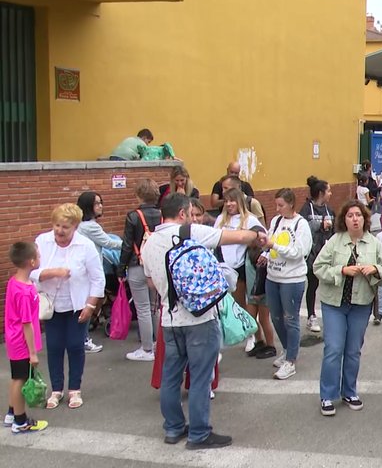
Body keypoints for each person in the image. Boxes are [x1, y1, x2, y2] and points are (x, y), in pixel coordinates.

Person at [141, 193, 264, 449]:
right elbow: (239, 237)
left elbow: (151, 281)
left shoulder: (149, 243)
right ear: (184, 212)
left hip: (169, 319)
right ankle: (199, 433)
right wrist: (257, 235)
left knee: (171, 376)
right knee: (200, 376)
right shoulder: (190, 232)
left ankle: (173, 429)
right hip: (200, 317)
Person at [314, 200, 382, 416]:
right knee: (333, 348)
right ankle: (327, 395)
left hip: (360, 304)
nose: (355, 219)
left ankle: (349, 391)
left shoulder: (374, 243)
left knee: (353, 351)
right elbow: (318, 268)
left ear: (365, 219)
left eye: (358, 215)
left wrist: (374, 268)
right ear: (344, 220)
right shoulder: (335, 241)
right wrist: (341, 270)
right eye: (350, 215)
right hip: (334, 304)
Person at [32, 204, 105, 410]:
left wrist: (91, 305)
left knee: (75, 345)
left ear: (75, 226)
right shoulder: (42, 241)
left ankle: (75, 389)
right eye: (56, 225)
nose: (59, 231)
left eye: (65, 227)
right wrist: (53, 272)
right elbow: (31, 272)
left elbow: (97, 279)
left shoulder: (86, 245)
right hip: (50, 305)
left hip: (77, 304)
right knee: (54, 347)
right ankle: (56, 390)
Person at [215, 189, 272, 358]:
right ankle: (253, 337)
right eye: (226, 201)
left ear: (240, 201)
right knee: (234, 306)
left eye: (232, 201)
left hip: (245, 268)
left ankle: (259, 340)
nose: (229, 204)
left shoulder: (250, 219)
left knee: (250, 305)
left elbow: (264, 239)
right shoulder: (221, 219)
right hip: (227, 267)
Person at [263, 188, 313, 380]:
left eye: (281, 205)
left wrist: (273, 246)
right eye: (276, 205)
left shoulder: (301, 225)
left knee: (290, 318)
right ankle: (286, 349)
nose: (277, 209)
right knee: (275, 316)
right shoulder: (276, 221)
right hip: (272, 276)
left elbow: (299, 252)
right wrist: (265, 253)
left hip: (292, 279)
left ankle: (291, 360)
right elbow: (270, 240)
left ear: (291, 204)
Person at [4, 242, 48, 433]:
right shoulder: (24, 291)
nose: (40, 258)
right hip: (21, 342)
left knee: (18, 377)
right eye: (38, 256)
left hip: (16, 339)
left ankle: (12, 413)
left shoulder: (17, 282)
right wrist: (32, 353)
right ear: (31, 261)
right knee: (21, 379)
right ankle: (20, 422)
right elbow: (27, 323)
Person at [118, 180, 162, 362]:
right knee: (154, 307)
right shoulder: (162, 215)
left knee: (142, 308)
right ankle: (159, 345)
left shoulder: (133, 216)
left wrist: (121, 269)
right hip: (156, 266)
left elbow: (127, 245)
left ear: (139, 195)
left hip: (137, 265)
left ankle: (146, 349)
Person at [75, 191, 122, 353]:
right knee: (89, 304)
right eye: (97, 203)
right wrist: (130, 243)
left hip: (83, 270)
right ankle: (83, 339)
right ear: (88, 206)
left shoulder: (80, 225)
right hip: (90, 271)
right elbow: (108, 243)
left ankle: (81, 337)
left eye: (101, 202)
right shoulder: (90, 226)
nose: (100, 205)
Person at [300, 176, 335, 334]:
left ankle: (332, 316)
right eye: (328, 191)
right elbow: (301, 227)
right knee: (310, 286)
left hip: (326, 254)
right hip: (310, 255)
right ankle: (311, 316)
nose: (331, 194)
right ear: (321, 193)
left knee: (327, 286)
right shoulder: (307, 209)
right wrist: (320, 224)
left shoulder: (330, 210)